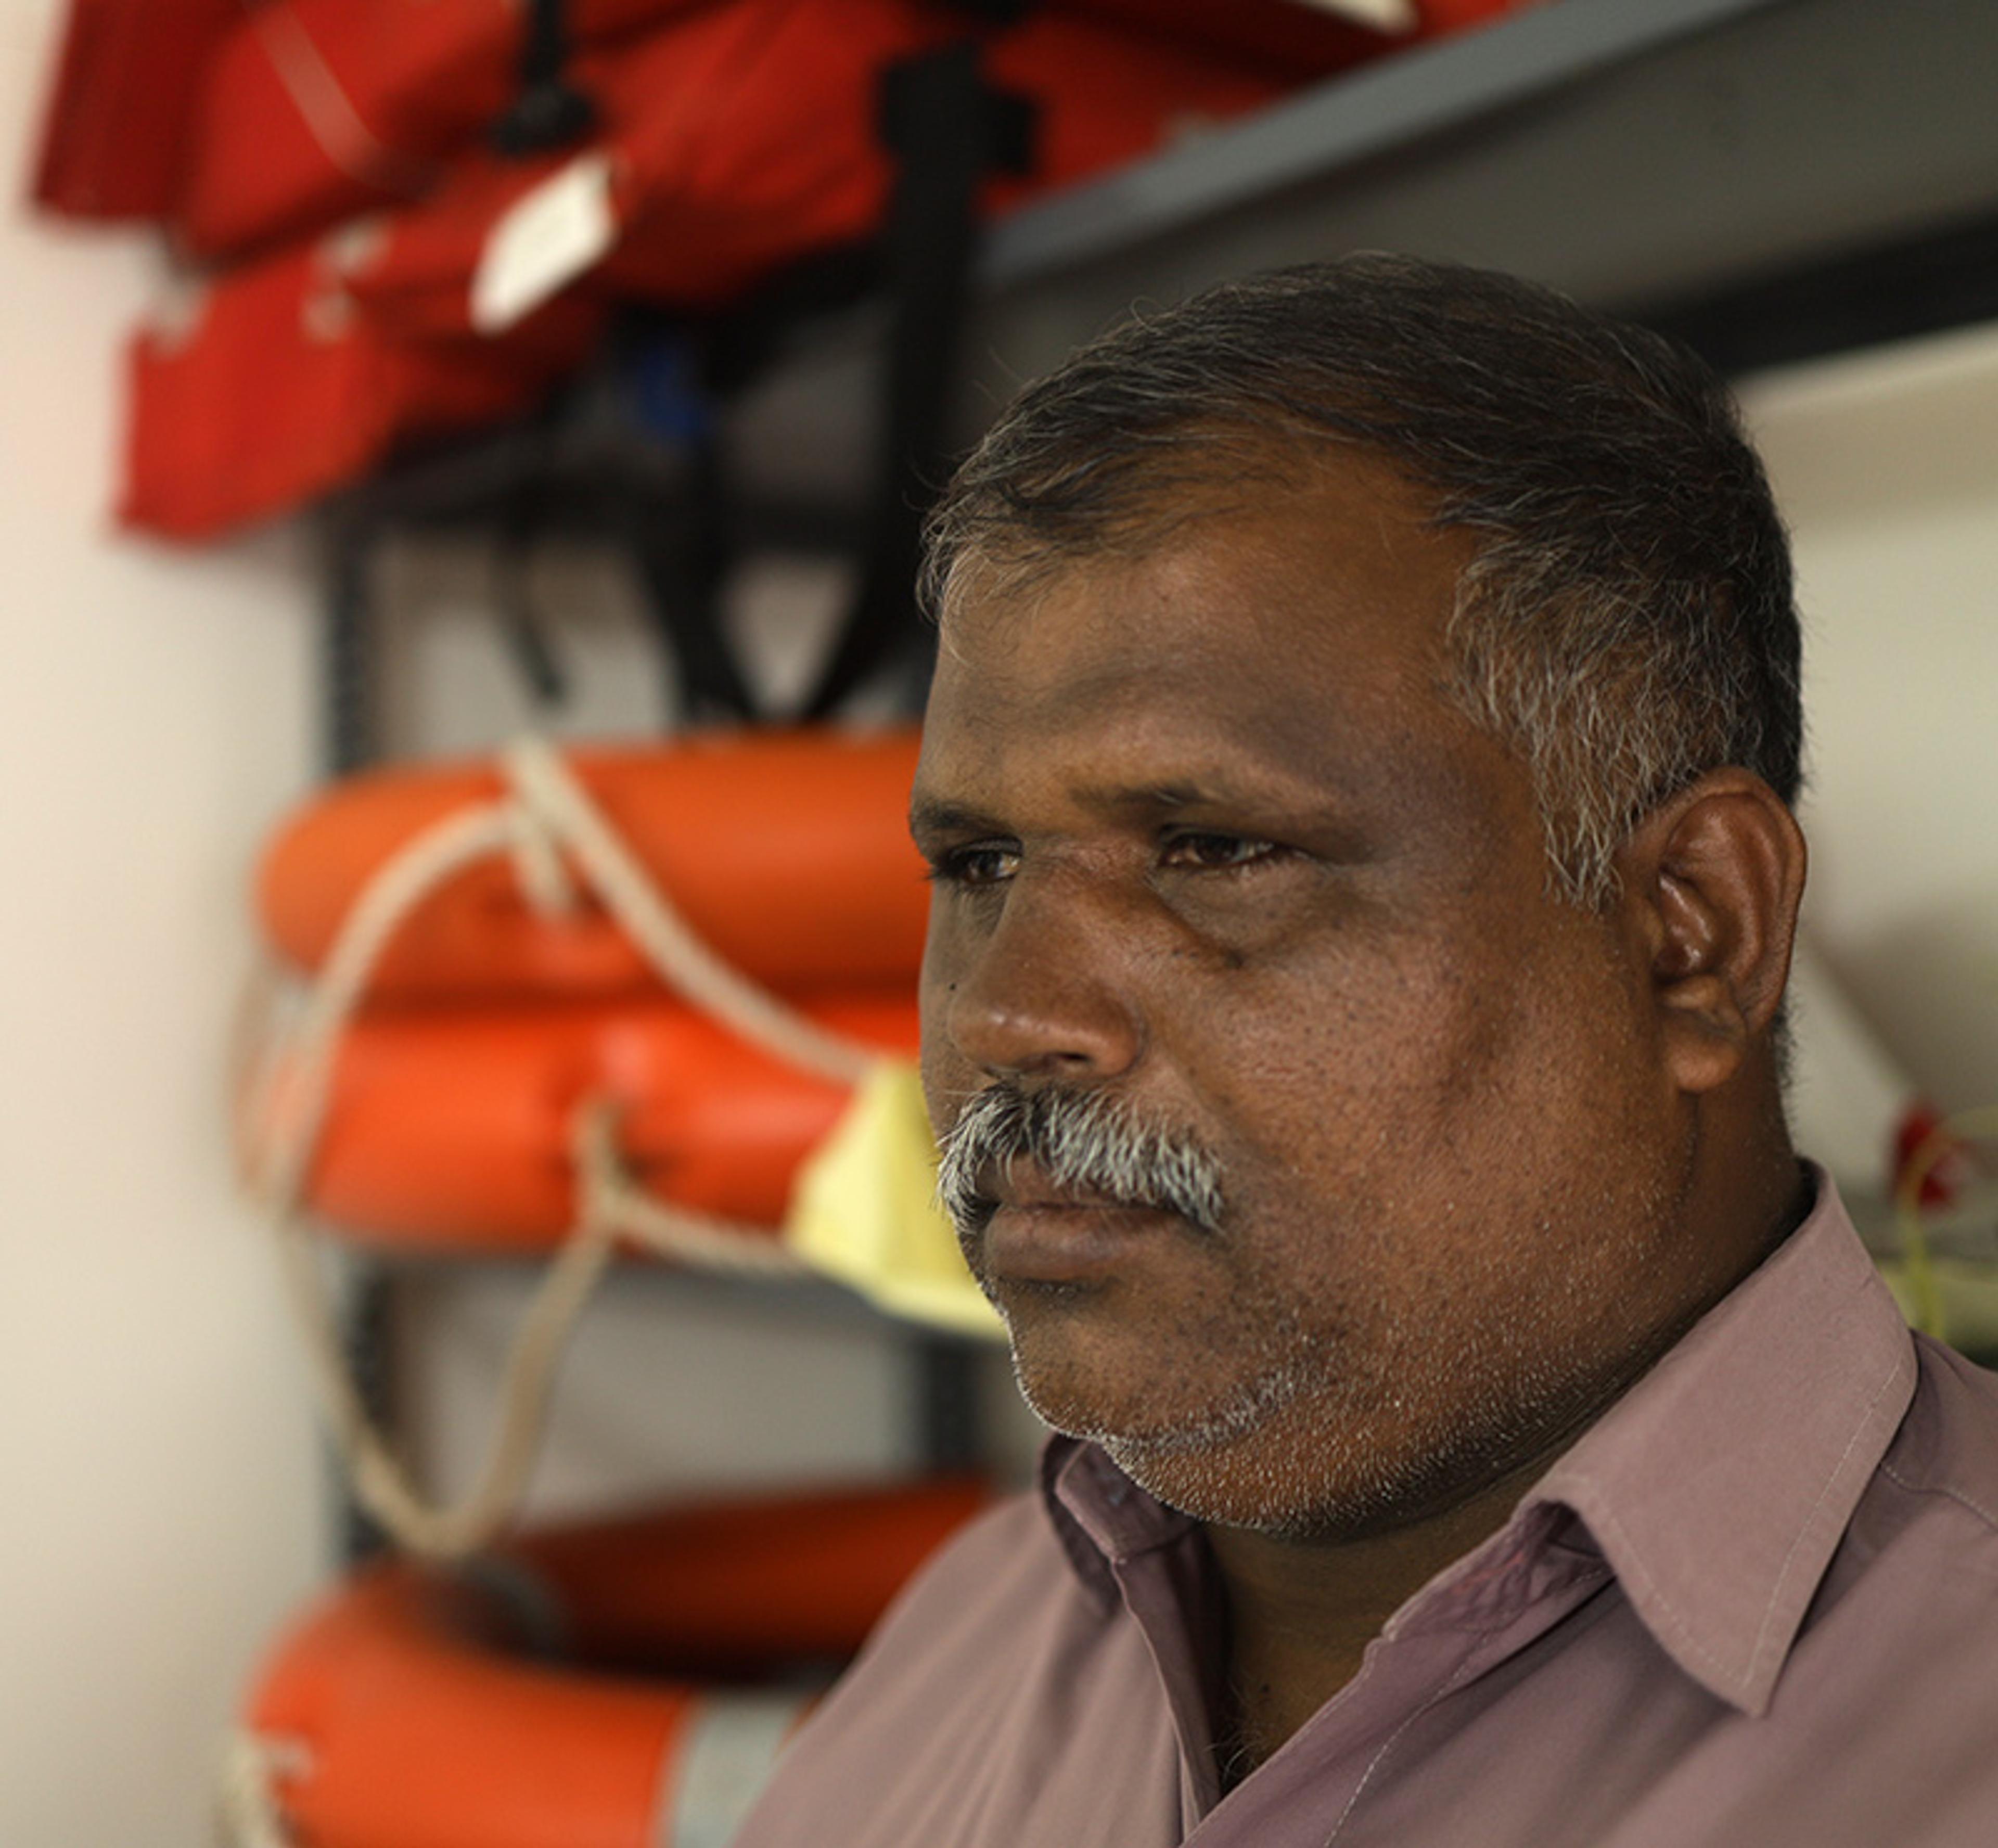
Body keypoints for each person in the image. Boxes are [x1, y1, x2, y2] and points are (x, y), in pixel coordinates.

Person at [732, 255, 1998, 1847]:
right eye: (979, 864)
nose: (1008, 1017)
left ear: (1693, 933)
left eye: (1213, 852)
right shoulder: (969, 1640)